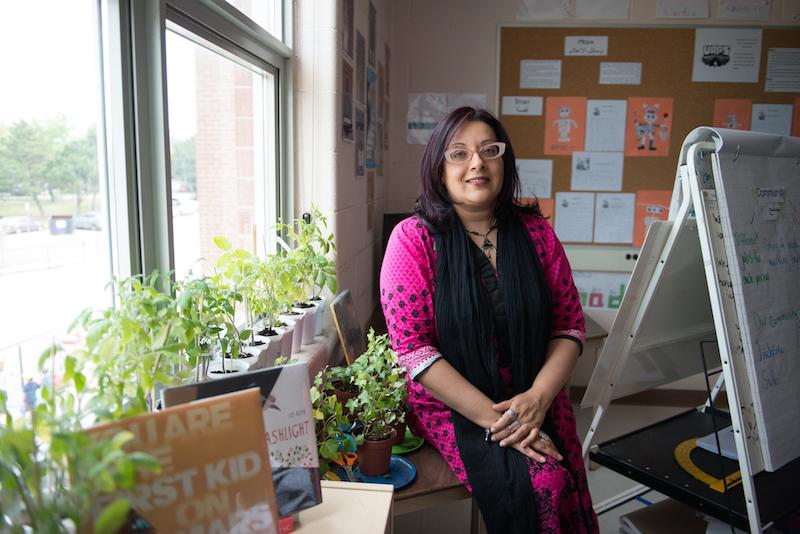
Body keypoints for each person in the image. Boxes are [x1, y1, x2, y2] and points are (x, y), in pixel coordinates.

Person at [379, 107, 598, 533]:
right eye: (458, 153)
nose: (476, 162)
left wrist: (537, 399)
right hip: (455, 405)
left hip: (533, 393)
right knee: (544, 484)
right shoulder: (413, 240)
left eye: (489, 150)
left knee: (567, 476)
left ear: (505, 162)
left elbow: (568, 326)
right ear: (438, 170)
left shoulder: (537, 233)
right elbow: (413, 349)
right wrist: (508, 422)